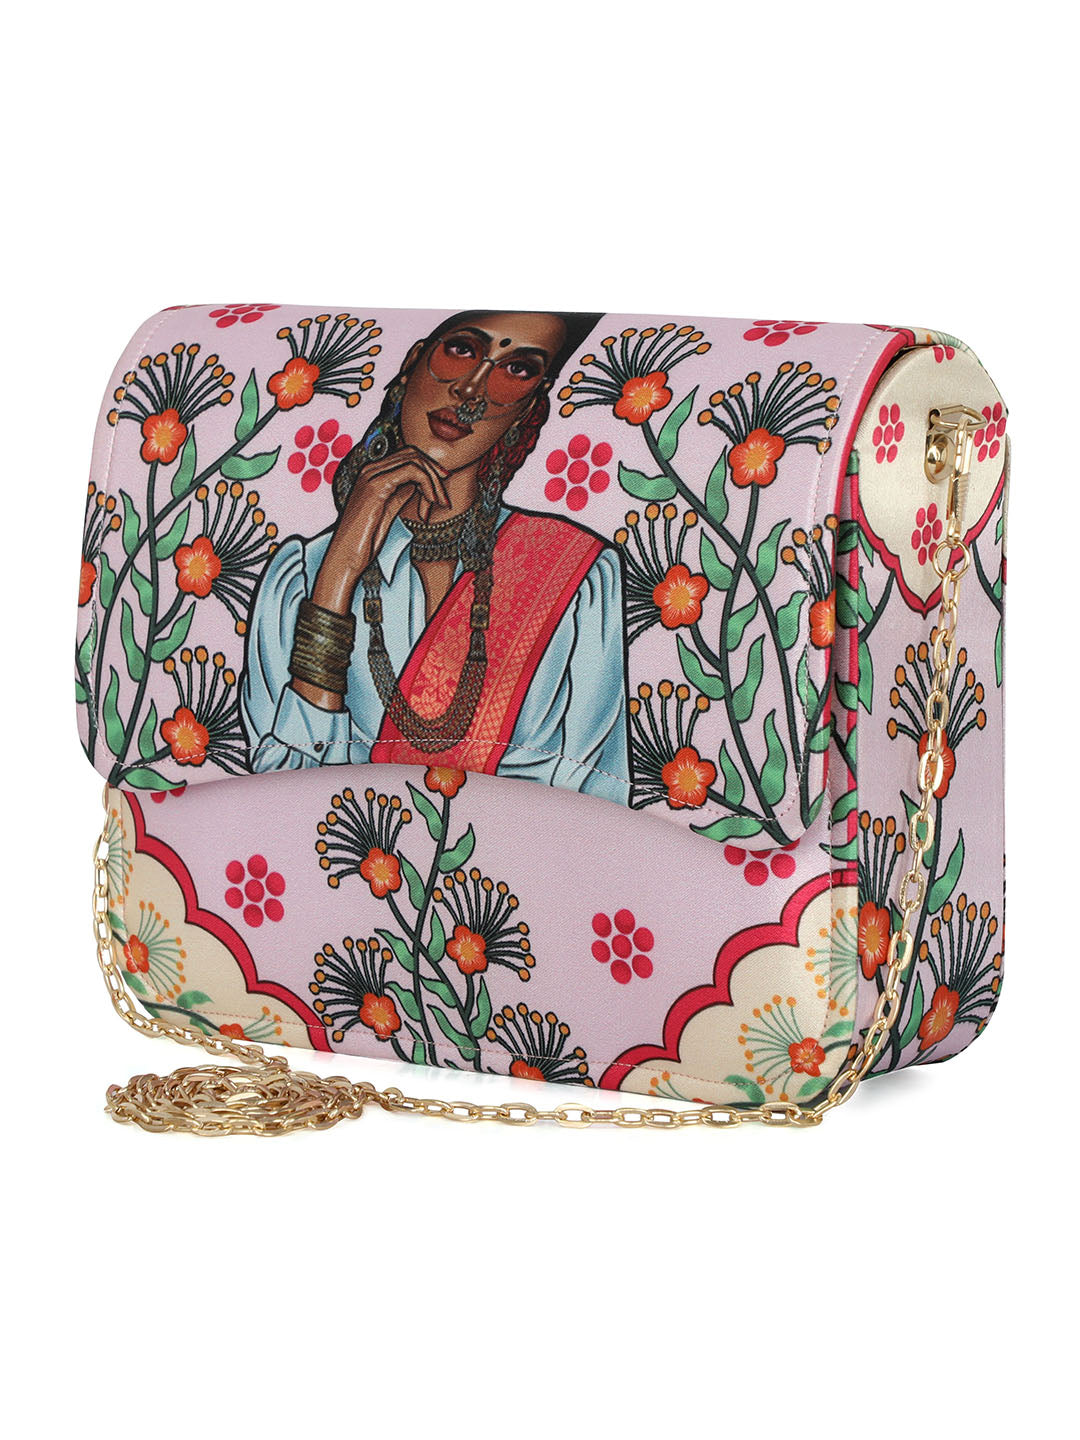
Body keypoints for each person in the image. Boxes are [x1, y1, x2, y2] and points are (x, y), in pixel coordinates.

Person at [242, 310, 630, 804]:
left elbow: (602, 794)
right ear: (411, 362)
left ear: (531, 406)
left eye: (517, 369)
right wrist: (337, 576)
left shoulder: (579, 572)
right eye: (462, 350)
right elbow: (278, 795)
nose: (471, 390)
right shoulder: (301, 574)